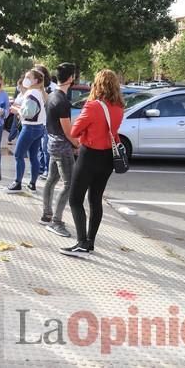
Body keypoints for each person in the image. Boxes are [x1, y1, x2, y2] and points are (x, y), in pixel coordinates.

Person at [60, 69, 124, 257]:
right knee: (95, 199)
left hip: (89, 156)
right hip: (108, 159)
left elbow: (74, 132)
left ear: (97, 85)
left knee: (75, 199)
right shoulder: (119, 107)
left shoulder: (93, 106)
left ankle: (81, 242)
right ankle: (90, 241)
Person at [41, 63, 80, 238]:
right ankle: (56, 222)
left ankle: (46, 214)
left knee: (52, 179)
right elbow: (67, 131)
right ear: (71, 78)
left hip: (52, 144)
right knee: (69, 184)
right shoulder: (62, 101)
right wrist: (78, 145)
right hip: (63, 148)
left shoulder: (51, 96)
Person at [6, 69, 47, 194]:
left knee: (18, 155)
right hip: (39, 127)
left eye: (28, 77)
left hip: (30, 127)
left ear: (35, 80)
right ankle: (32, 184)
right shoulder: (39, 92)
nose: (25, 79)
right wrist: (19, 108)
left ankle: (17, 183)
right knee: (33, 156)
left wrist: (16, 110)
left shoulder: (31, 94)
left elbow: (28, 114)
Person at [34, 64, 54, 179]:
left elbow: (49, 103)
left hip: (48, 121)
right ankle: (40, 168)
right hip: (38, 121)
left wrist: (42, 89)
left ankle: (47, 170)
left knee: (45, 147)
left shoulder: (52, 87)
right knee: (39, 147)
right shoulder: (34, 88)